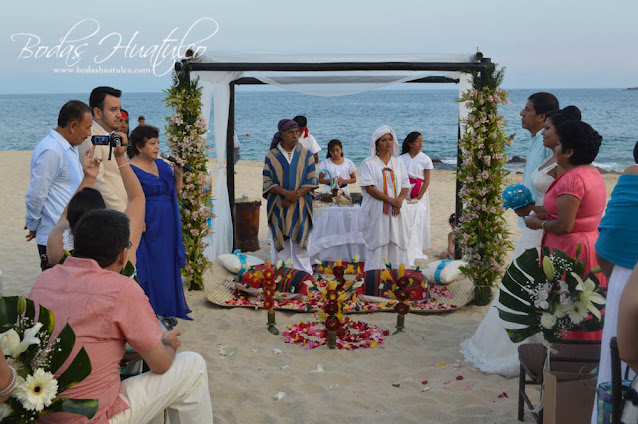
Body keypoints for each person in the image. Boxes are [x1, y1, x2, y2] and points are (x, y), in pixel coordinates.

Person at [29, 209, 212, 423]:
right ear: (123, 255)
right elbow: (161, 365)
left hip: (39, 412)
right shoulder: (121, 288)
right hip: (94, 417)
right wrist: (167, 345)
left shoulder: (44, 280)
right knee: (193, 365)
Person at [525, 120, 608, 339]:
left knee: (569, 306)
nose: (555, 149)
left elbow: (565, 225)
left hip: (571, 248)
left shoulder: (572, 179)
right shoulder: (592, 172)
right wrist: (541, 211)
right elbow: (575, 212)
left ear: (569, 151)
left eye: (559, 145)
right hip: (588, 243)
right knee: (581, 305)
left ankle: (568, 358)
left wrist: (538, 223)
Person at [590, 161, 638, 423]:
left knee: (619, 369)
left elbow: (608, 240)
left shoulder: (633, 174)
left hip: (625, 273)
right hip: (625, 274)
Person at [46, 141, 145, 268]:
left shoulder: (57, 241)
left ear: (70, 218)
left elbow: (65, 215)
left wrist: (89, 177)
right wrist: (120, 158)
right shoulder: (119, 252)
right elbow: (137, 198)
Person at [128, 125, 191, 320]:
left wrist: (178, 174)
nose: (156, 148)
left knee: (167, 263)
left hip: (168, 221)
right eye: (152, 144)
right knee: (151, 264)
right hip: (148, 223)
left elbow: (176, 191)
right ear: (140, 147)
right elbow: (128, 197)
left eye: (157, 143)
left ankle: (168, 307)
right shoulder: (131, 169)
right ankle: (151, 308)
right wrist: (137, 220)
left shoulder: (163, 166)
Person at [25, 100, 92, 260]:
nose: (89, 133)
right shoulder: (52, 150)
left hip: (72, 235)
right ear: (73, 126)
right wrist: (33, 225)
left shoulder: (69, 147)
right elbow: (36, 194)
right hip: (56, 239)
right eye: (88, 127)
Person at [263, 119, 318, 273]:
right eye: (291, 132)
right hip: (279, 205)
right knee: (282, 244)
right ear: (282, 135)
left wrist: (294, 196)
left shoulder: (306, 154)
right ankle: (283, 276)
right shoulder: (271, 156)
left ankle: (305, 276)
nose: (295, 135)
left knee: (301, 246)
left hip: (301, 204)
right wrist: (285, 194)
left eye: (297, 132)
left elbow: (312, 179)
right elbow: (267, 181)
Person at [359, 125, 411, 272]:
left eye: (390, 139)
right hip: (377, 209)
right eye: (384, 140)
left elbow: (405, 184)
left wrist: (398, 201)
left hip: (398, 210)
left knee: (397, 240)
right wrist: (391, 201)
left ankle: (398, 274)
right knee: (379, 239)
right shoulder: (368, 163)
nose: (388, 143)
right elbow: (369, 188)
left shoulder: (398, 162)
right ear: (376, 144)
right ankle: (376, 276)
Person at [78, 86, 128, 212]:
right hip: (110, 216)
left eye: (119, 109)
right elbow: (97, 182)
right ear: (97, 112)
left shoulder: (109, 135)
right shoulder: (91, 138)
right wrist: (125, 213)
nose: (119, 115)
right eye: (113, 110)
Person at [518, 92, 559, 227]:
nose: (522, 113)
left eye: (527, 110)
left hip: (542, 218)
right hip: (531, 217)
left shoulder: (548, 144)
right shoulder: (536, 140)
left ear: (542, 116)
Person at [399, 131, 434, 249]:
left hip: (419, 189)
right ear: (410, 143)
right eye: (417, 141)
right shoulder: (401, 159)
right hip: (405, 189)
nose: (420, 143)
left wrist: (420, 196)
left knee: (419, 217)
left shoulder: (425, 159)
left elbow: (427, 180)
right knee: (405, 215)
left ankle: (418, 244)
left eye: (421, 141)